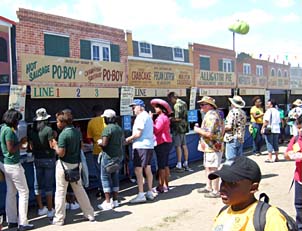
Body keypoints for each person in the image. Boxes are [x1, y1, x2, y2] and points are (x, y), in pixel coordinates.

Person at [210, 156, 289, 230]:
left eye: (232, 183)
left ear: (253, 188)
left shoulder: (270, 218)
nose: (223, 187)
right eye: (223, 181)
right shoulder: (223, 212)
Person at [52, 109, 94, 225]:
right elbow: (80, 146)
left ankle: (59, 219)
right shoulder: (76, 132)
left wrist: (55, 146)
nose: (57, 123)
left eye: (58, 121)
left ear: (63, 122)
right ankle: (89, 214)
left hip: (64, 166)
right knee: (80, 190)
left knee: (60, 192)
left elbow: (61, 153)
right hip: (76, 165)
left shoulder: (63, 135)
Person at [0, 109, 34, 231]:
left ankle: (12, 220)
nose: (18, 123)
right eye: (17, 120)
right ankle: (23, 222)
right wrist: (21, 142)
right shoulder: (9, 131)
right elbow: (11, 149)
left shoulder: (2, 128)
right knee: (24, 192)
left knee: (11, 192)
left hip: (5, 164)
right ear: (13, 120)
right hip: (13, 165)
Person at [194, 96, 224, 198]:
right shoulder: (212, 114)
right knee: (208, 167)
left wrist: (197, 130)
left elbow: (209, 134)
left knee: (213, 169)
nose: (201, 106)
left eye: (203, 104)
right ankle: (209, 187)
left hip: (213, 147)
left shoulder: (211, 116)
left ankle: (215, 190)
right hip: (210, 147)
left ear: (210, 106)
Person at [125, 99, 155, 203]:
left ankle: (141, 193)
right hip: (148, 145)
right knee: (148, 168)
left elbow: (138, 134)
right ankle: (150, 191)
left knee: (138, 170)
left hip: (141, 146)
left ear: (140, 107)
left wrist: (128, 140)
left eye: (134, 107)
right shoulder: (147, 116)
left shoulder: (141, 117)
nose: (133, 110)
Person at [28, 108, 56, 218]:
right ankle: (50, 209)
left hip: (37, 158)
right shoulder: (49, 130)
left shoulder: (32, 130)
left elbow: (31, 146)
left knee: (37, 185)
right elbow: (51, 145)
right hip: (48, 158)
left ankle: (41, 208)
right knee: (48, 185)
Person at [97, 109, 124, 211]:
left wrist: (99, 142)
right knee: (115, 177)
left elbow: (104, 144)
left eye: (104, 118)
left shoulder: (107, 129)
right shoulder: (118, 128)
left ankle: (108, 202)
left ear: (108, 118)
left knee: (105, 178)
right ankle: (115, 200)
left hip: (108, 157)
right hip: (118, 157)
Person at [150, 98, 173, 193]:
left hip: (161, 143)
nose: (155, 109)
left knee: (161, 166)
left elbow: (156, 130)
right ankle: (166, 185)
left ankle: (161, 186)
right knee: (166, 164)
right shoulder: (165, 117)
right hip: (167, 142)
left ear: (161, 108)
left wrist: (151, 119)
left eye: (156, 107)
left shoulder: (160, 118)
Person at [284, 114, 302, 230]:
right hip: (299, 179)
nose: (300, 130)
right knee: (299, 206)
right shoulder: (295, 139)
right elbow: (286, 154)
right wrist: (289, 155)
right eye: (298, 128)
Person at [167, 92, 192, 172]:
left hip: (178, 128)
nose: (170, 101)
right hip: (184, 128)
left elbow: (178, 118)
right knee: (184, 145)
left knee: (178, 146)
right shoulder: (183, 103)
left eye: (170, 99)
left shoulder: (177, 105)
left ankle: (179, 164)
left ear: (173, 97)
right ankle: (186, 163)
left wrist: (170, 119)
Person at [86, 105, 106, 198]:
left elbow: (89, 138)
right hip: (108, 149)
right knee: (108, 171)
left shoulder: (91, 122)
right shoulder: (106, 120)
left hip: (96, 149)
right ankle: (110, 190)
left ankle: (102, 190)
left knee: (99, 172)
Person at [224, 95, 247, 160]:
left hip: (231, 137)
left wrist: (222, 128)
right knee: (238, 159)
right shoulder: (243, 112)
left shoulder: (232, 112)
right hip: (240, 137)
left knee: (230, 159)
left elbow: (229, 126)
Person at [261, 99, 281, 163]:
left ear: (271, 105)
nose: (267, 105)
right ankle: (277, 157)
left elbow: (266, 121)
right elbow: (279, 120)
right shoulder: (277, 111)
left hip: (270, 128)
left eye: (268, 104)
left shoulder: (268, 111)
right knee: (275, 143)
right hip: (277, 129)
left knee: (269, 143)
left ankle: (270, 158)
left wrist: (262, 128)